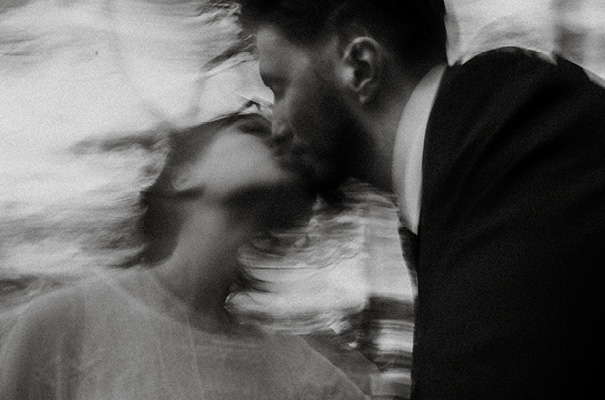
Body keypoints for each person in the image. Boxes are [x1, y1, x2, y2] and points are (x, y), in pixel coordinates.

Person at [235, 1, 605, 399]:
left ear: (358, 65)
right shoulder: (477, 164)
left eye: (280, 87)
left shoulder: (523, 158)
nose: (276, 127)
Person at [0, 111, 370, 400]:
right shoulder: (65, 325)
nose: (278, 136)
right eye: (252, 130)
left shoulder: (306, 375)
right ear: (184, 176)